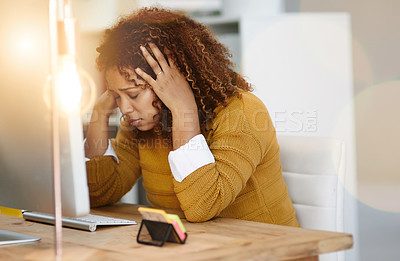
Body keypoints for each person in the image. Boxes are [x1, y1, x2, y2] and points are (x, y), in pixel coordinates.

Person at [84, 7, 299, 227]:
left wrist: (182, 109)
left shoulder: (242, 112)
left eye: (133, 94)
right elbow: (97, 195)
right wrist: (99, 114)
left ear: (173, 79)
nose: (125, 109)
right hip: (195, 248)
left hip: (271, 250)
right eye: (116, 96)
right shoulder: (141, 124)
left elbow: (202, 206)